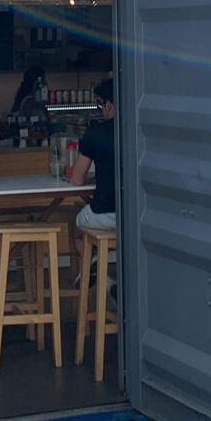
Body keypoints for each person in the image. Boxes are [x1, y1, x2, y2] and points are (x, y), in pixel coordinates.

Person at [69, 78, 116, 278]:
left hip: (104, 213)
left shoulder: (95, 132)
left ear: (109, 105)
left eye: (101, 104)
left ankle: (92, 270)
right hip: (136, 216)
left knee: (77, 227)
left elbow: (77, 179)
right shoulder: (140, 131)